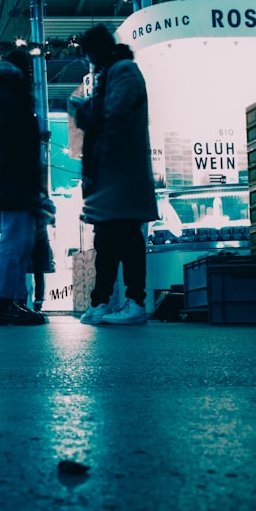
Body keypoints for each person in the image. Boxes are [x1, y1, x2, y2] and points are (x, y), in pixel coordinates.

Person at [72, 24, 160, 325]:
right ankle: (105, 301)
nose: (89, 60)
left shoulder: (123, 71)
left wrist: (89, 117)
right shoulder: (111, 74)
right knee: (109, 239)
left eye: (89, 53)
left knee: (122, 237)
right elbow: (104, 116)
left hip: (120, 172)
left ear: (97, 50)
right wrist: (86, 111)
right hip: (113, 174)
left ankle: (133, 301)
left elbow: (114, 116)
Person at [0, 49, 46, 326]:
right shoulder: (11, 96)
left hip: (15, 177)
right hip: (17, 178)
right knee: (14, 242)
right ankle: (6, 304)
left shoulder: (6, 94)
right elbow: (16, 142)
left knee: (19, 243)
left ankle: (14, 301)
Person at [28, 192, 56, 312]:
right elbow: (51, 216)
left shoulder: (38, 201)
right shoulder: (43, 202)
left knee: (35, 273)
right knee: (38, 274)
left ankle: (34, 302)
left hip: (32, 239)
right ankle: (36, 303)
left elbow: (51, 216)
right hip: (37, 239)